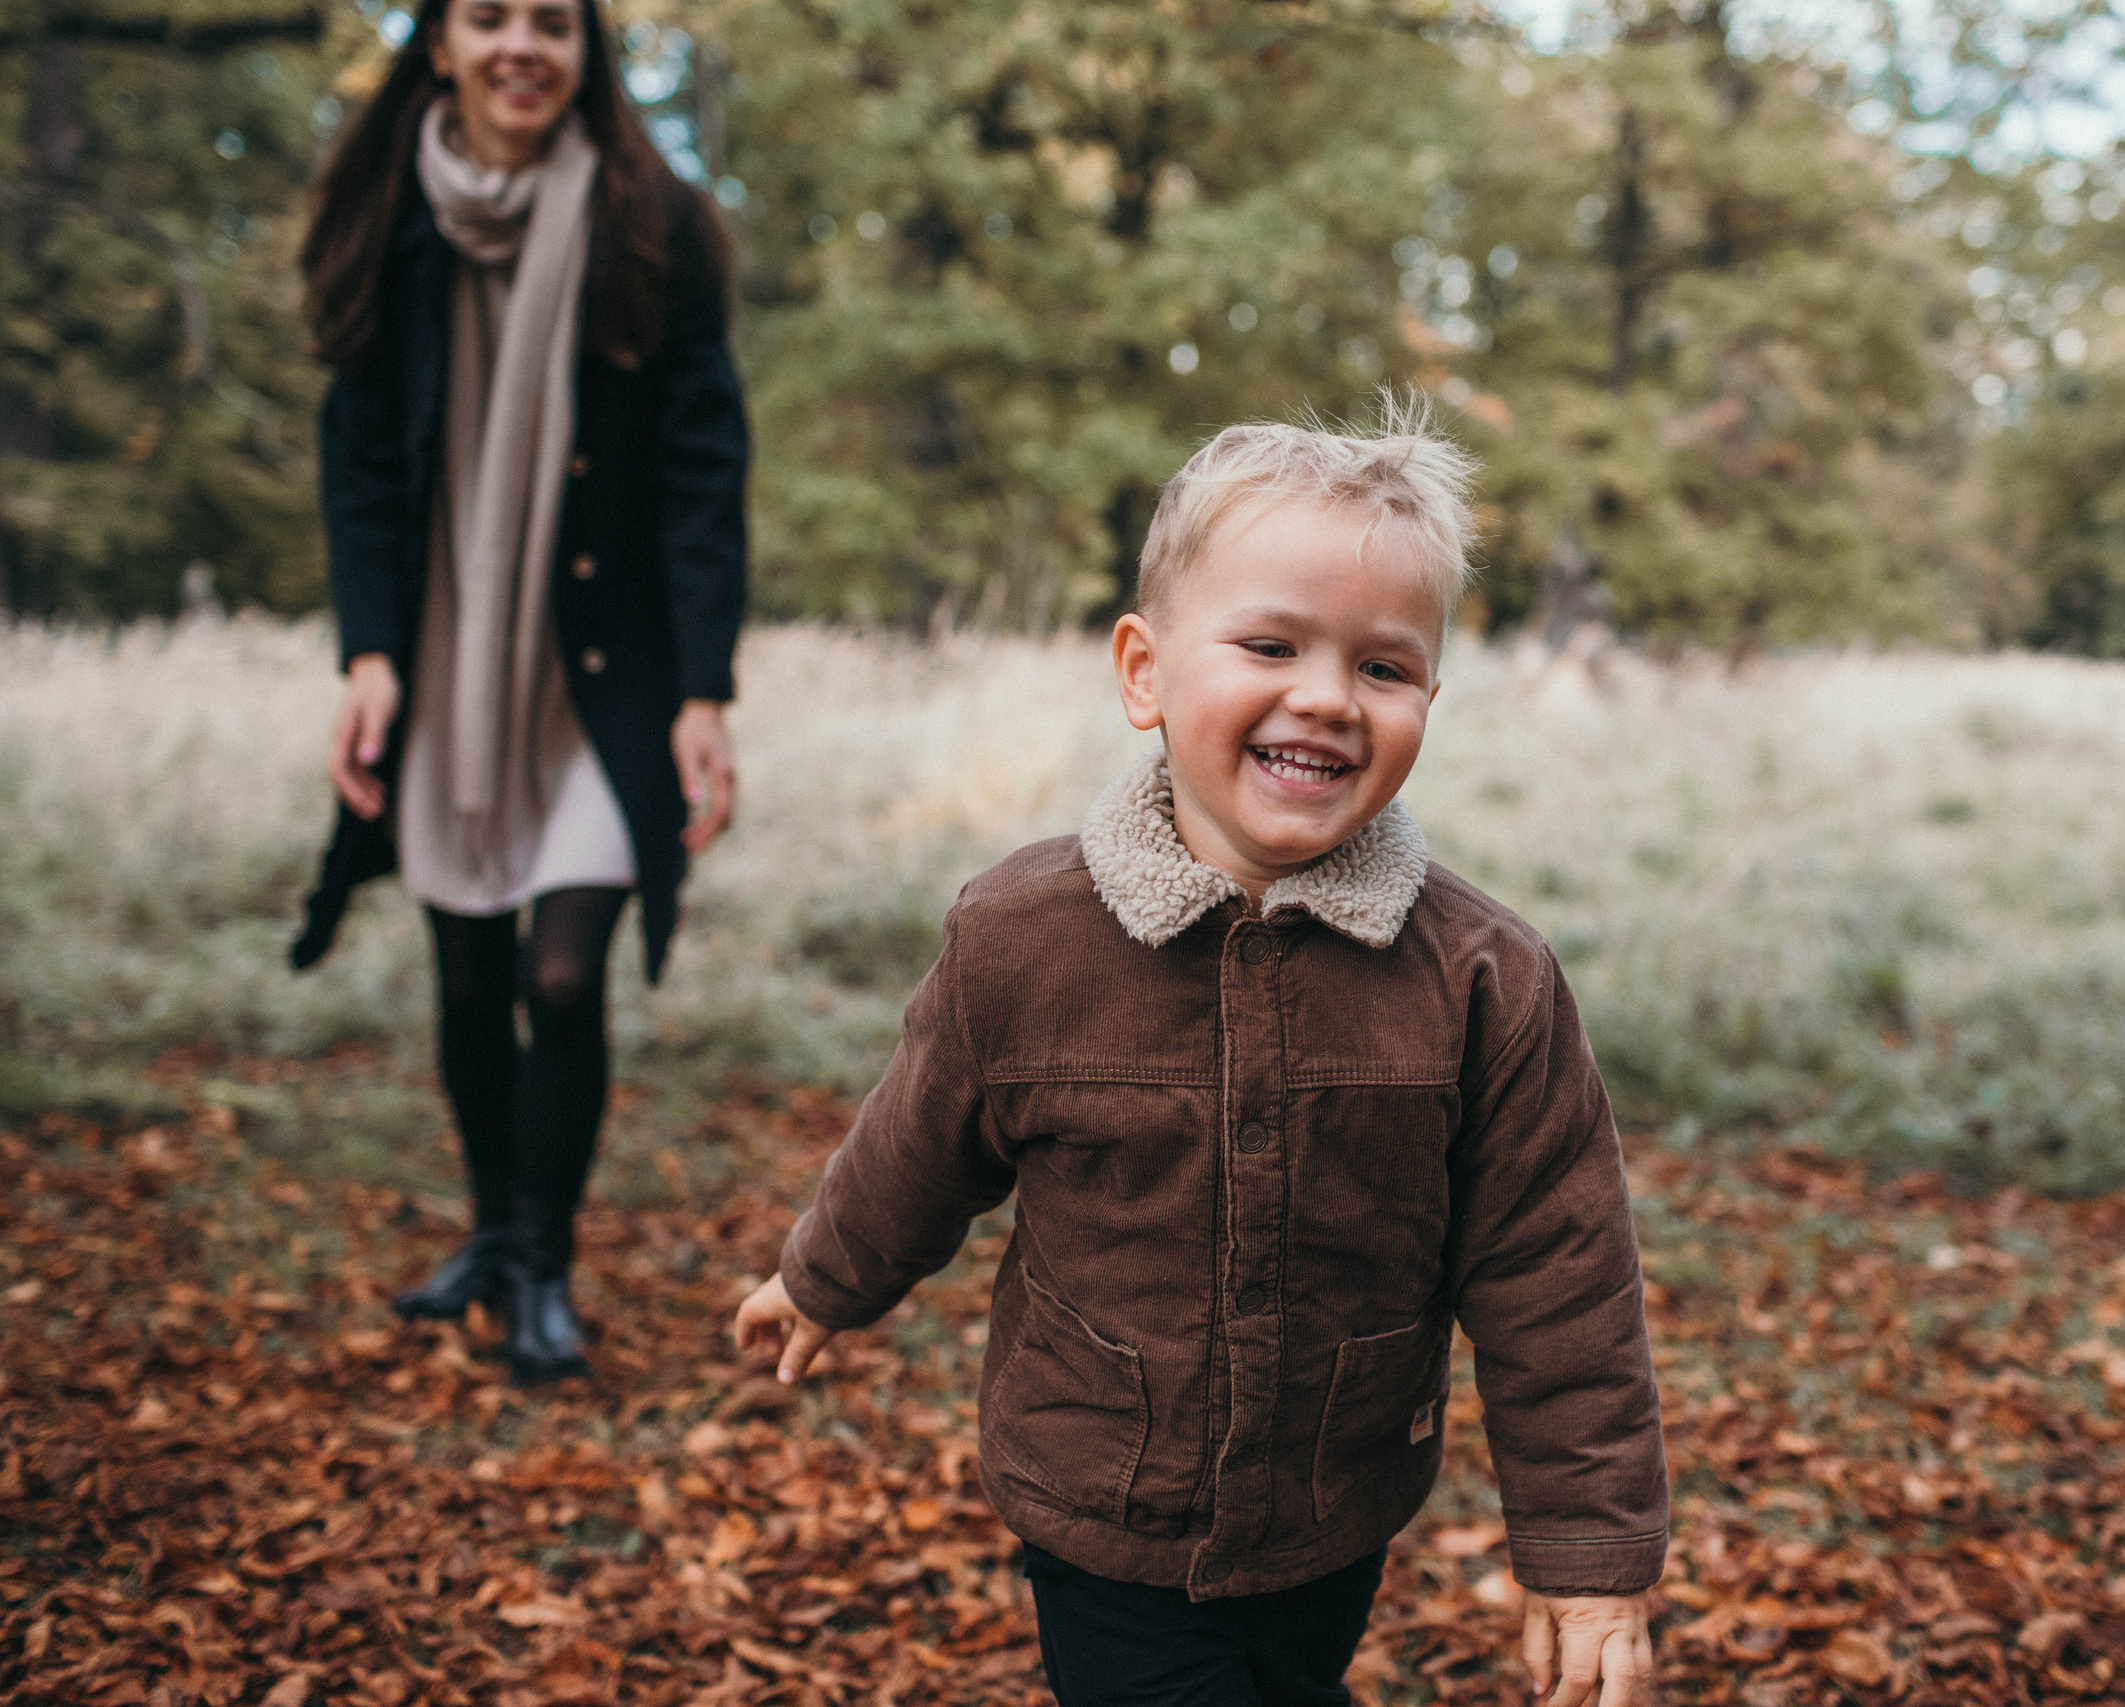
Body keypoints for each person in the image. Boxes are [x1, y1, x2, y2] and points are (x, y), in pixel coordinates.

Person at [733, 407, 1665, 1707]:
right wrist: (824, 1276)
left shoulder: (1480, 979)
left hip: (1337, 1501)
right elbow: (920, 1137)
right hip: (1101, 1489)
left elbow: (1553, 1271)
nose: (1328, 697)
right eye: (1272, 644)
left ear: (1428, 703)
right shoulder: (1022, 939)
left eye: (1385, 668)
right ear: (1145, 672)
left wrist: (1588, 1550)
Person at [288, 0, 749, 1384]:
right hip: (446, 663)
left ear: (583, 51)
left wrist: (705, 689)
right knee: (470, 971)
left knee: (562, 968)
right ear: (438, 44)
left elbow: (702, 466)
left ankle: (544, 1259)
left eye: (552, 21)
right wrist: (369, 656)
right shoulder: (389, 212)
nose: (521, 48)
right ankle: (490, 1234)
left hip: (603, 677)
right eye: (489, 17)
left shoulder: (650, 223)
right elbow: (359, 458)